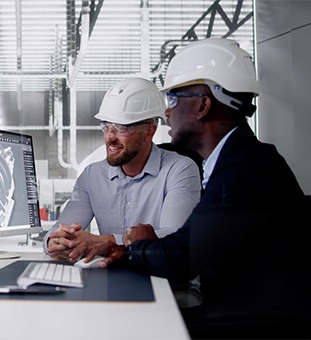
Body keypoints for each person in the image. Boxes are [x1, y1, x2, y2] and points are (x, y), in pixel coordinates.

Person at [77, 38, 311, 339]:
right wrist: (136, 246)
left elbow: (181, 259)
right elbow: (186, 244)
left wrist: (135, 244)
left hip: (267, 318)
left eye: (173, 99)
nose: (166, 112)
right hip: (247, 305)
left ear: (202, 105)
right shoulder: (232, 160)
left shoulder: (245, 168)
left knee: (131, 329)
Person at [44, 77, 201, 263]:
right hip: (113, 276)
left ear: (149, 131)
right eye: (106, 126)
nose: (110, 137)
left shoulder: (180, 170)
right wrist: (55, 243)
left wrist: (107, 241)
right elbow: (60, 230)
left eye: (121, 128)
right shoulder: (91, 176)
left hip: (169, 282)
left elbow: (174, 236)